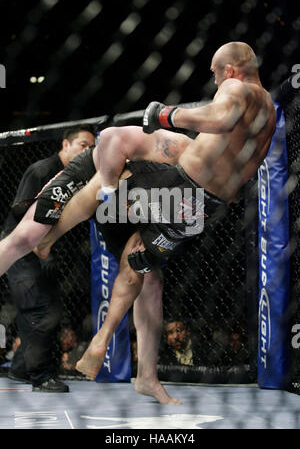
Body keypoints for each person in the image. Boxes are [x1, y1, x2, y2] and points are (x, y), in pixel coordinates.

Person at [69, 41, 276, 380]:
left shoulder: (236, 87)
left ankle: (53, 231)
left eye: (214, 74)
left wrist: (169, 114)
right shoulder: (268, 106)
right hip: (202, 208)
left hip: (178, 184)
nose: (214, 83)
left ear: (229, 70)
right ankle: (105, 334)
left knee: (113, 147)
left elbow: (221, 117)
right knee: (139, 258)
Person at [0, 122, 190, 404]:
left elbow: (137, 261)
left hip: (125, 200)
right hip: (97, 179)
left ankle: (147, 377)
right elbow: (97, 180)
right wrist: (51, 238)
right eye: (82, 143)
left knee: (150, 278)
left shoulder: (192, 191)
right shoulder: (176, 147)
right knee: (27, 237)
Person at [2, 125, 96, 392]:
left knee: (49, 308)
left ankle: (22, 369)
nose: (87, 151)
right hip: (21, 249)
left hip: (43, 250)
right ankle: (41, 377)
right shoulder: (42, 170)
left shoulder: (79, 178)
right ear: (65, 145)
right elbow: (21, 211)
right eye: (83, 145)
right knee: (39, 310)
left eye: (91, 147)